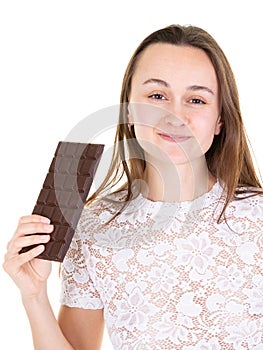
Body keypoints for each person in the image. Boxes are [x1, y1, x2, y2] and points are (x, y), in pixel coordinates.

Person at [3, 24, 263, 349]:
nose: (174, 114)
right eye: (157, 96)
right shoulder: (94, 229)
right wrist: (34, 296)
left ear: (220, 120)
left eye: (196, 99)